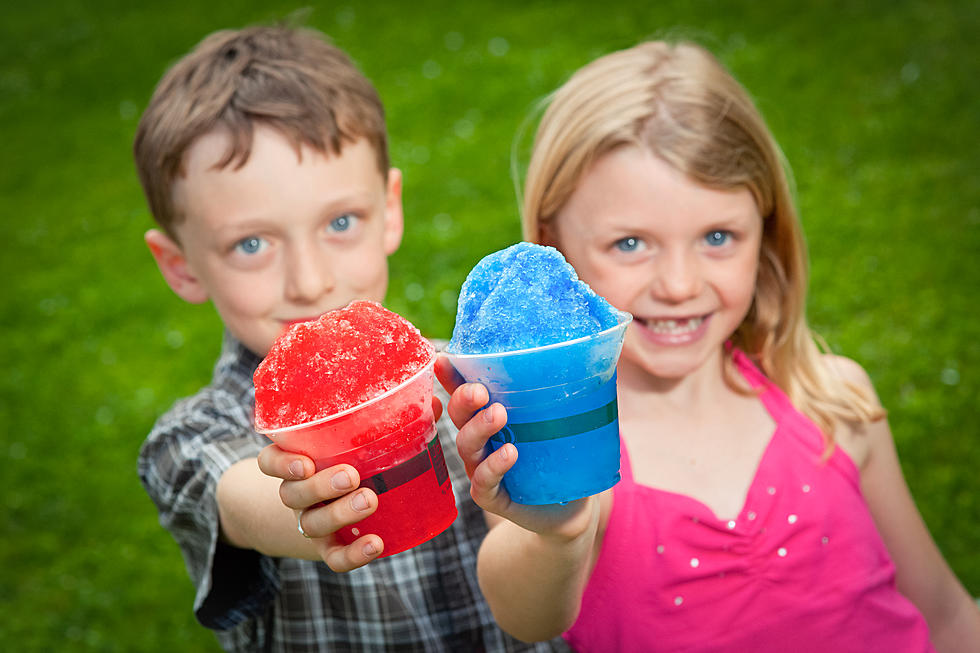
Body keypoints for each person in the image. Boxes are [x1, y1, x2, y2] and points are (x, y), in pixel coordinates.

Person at [436, 41, 980, 652]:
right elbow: (527, 617)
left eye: (717, 236)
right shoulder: (554, 437)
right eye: (631, 243)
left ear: (765, 234)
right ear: (551, 250)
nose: (679, 285)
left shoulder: (833, 401)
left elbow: (947, 615)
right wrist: (560, 534)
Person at [135, 23, 569, 652]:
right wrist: (304, 501)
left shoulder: (470, 379)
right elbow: (239, 494)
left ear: (389, 209)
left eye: (340, 222)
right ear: (181, 265)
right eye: (251, 244)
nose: (311, 282)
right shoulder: (190, 438)